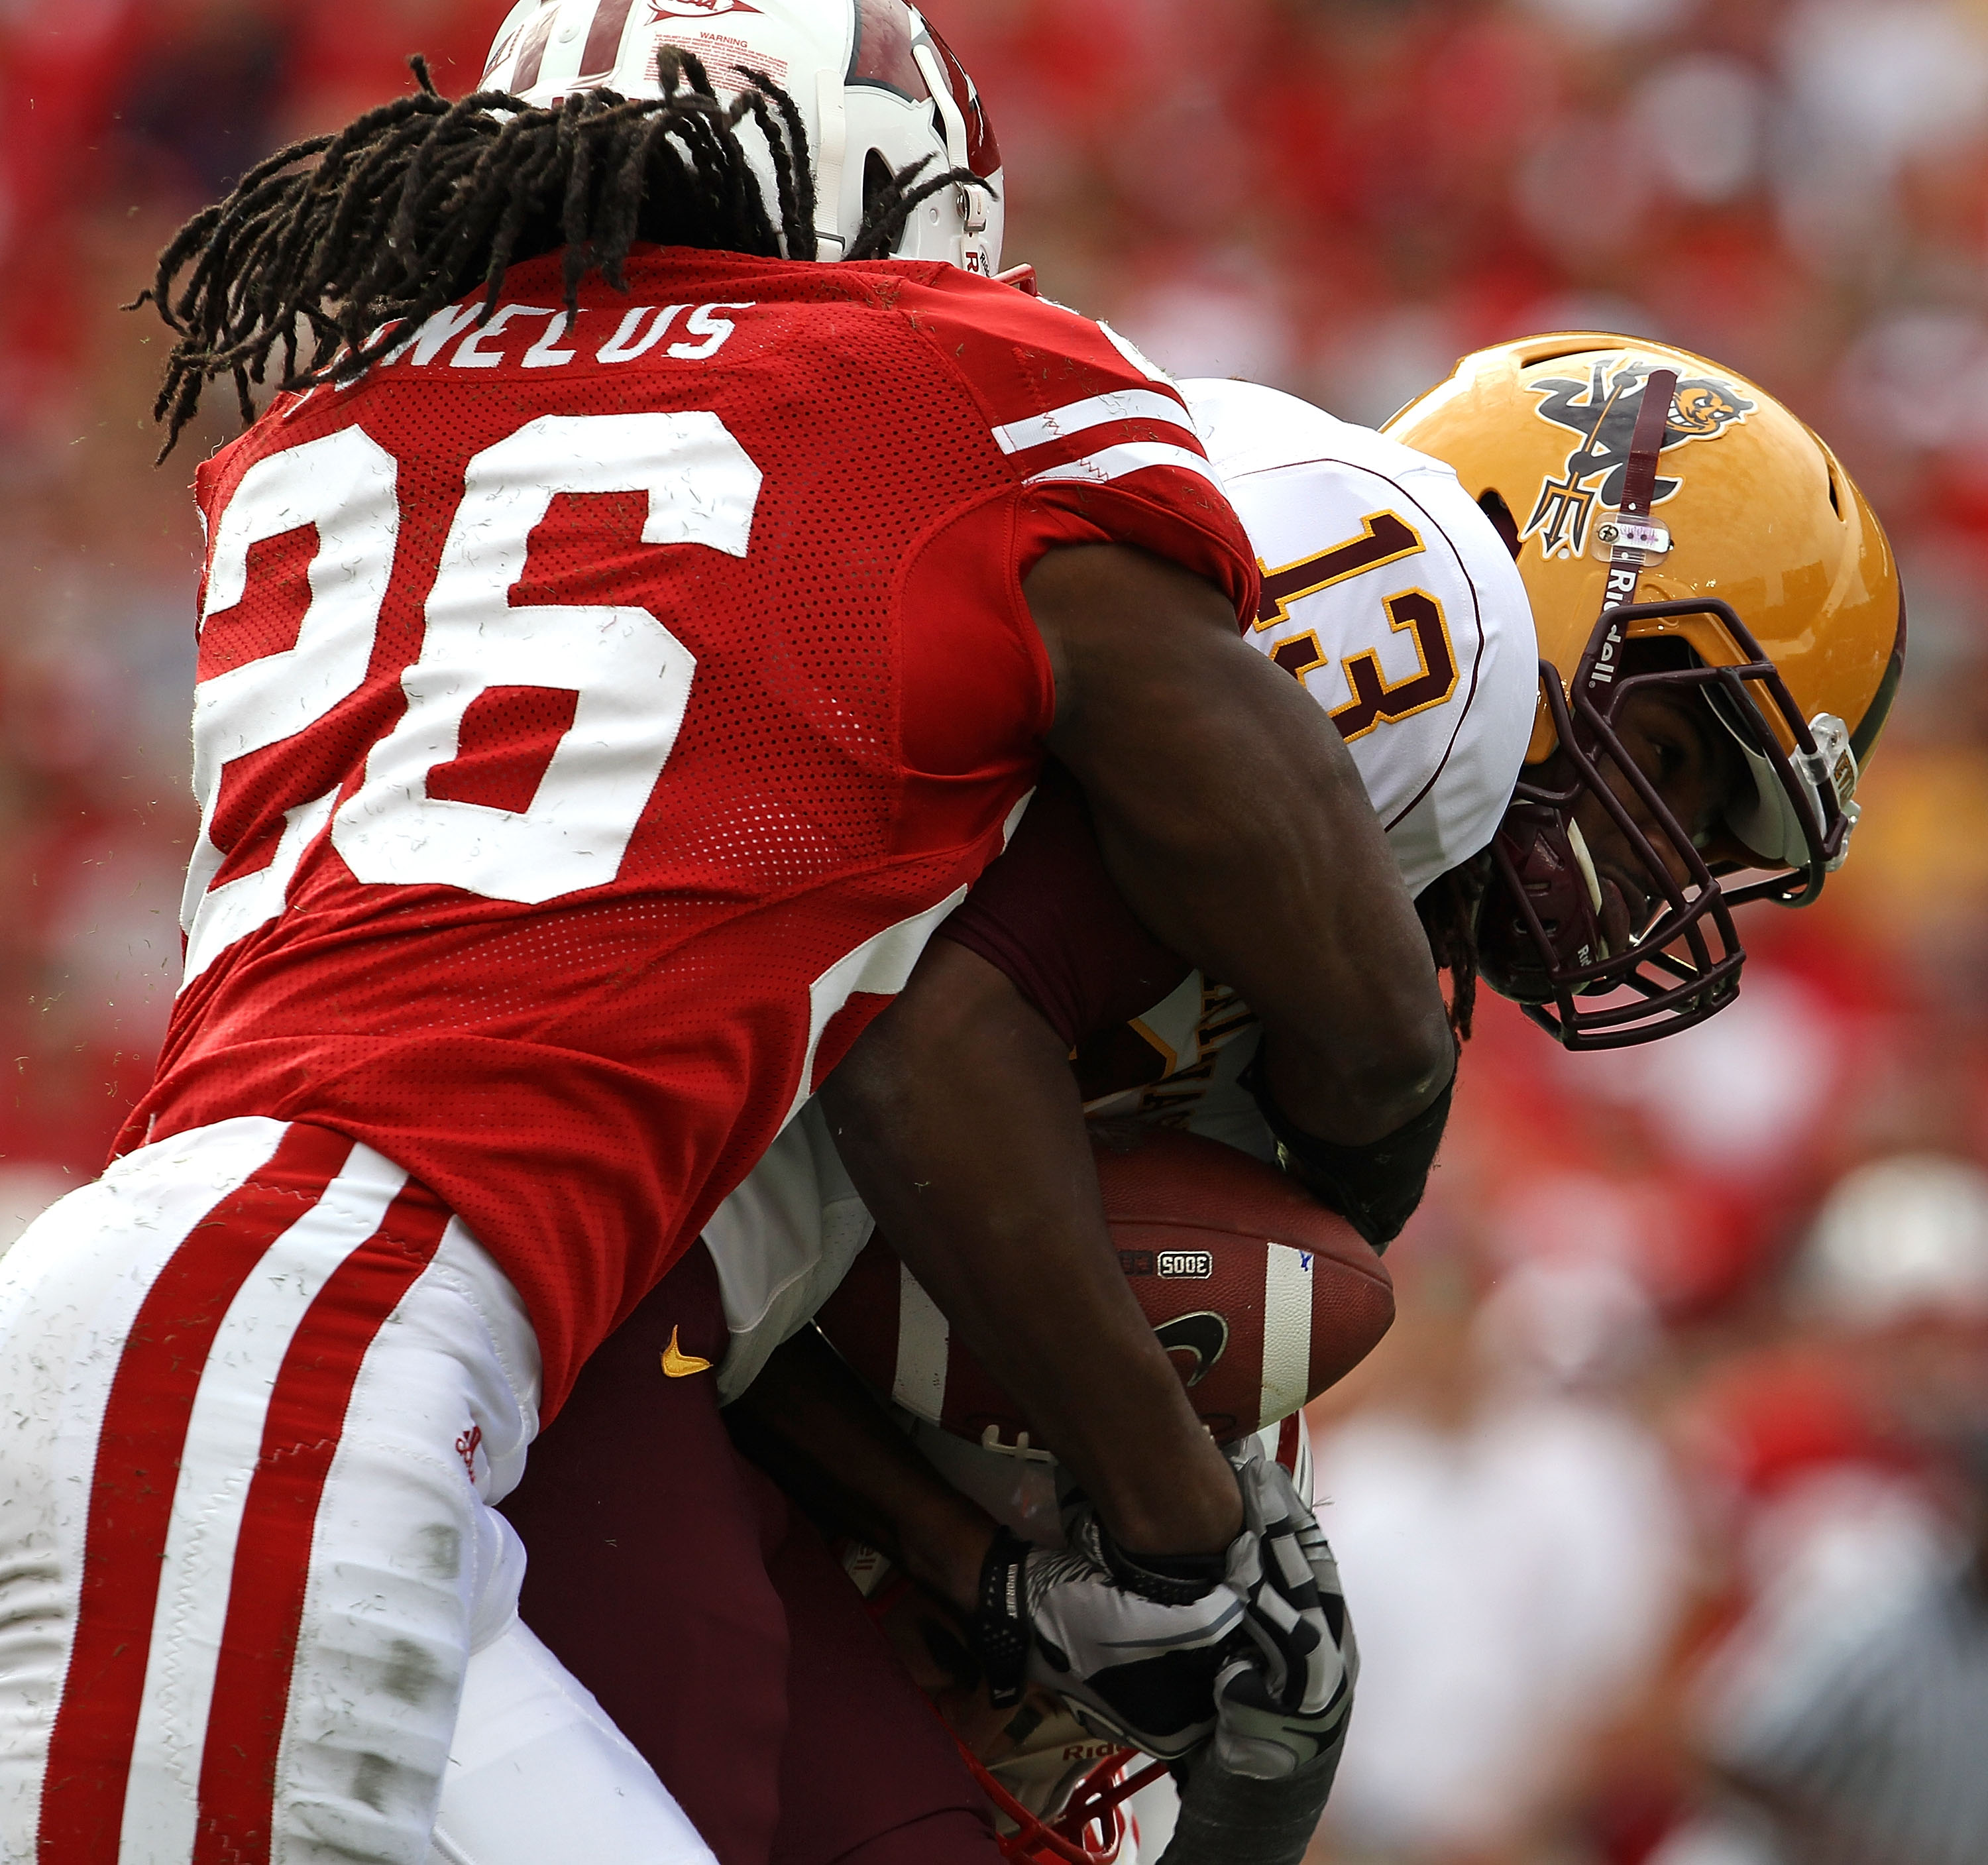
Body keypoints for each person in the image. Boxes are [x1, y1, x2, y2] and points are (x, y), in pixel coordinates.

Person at [0, 7, 1455, 1862]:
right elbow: (1305, 891)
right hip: (322, 1333)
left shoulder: (327, 420)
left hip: (290, 1327)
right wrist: (1356, 1130)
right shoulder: (927, 380)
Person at [486, 335, 1910, 1862]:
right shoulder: (1416, 599)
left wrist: (1014, 1583)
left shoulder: (1314, 972)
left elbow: (805, 1257)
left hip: (672, 1306)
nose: (1659, 862)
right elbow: (928, 1043)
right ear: (1546, 571)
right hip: (560, 1211)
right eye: (1677, 756)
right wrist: (1178, 1526)